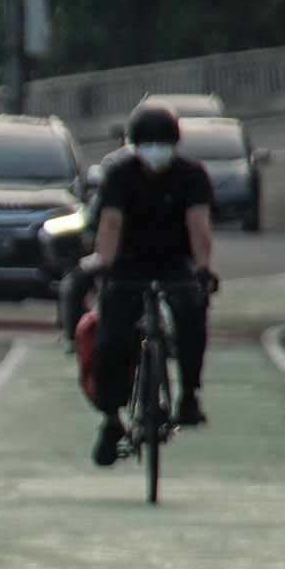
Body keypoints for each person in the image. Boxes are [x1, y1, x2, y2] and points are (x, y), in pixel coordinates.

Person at [87, 105, 216, 465]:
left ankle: (188, 393)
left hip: (175, 265)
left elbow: (199, 227)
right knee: (110, 341)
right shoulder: (119, 176)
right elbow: (110, 224)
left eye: (162, 142)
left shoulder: (192, 176)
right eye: (147, 143)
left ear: (175, 144)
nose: (155, 150)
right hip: (126, 267)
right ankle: (111, 420)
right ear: (134, 145)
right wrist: (106, 268)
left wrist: (203, 269)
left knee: (193, 309)